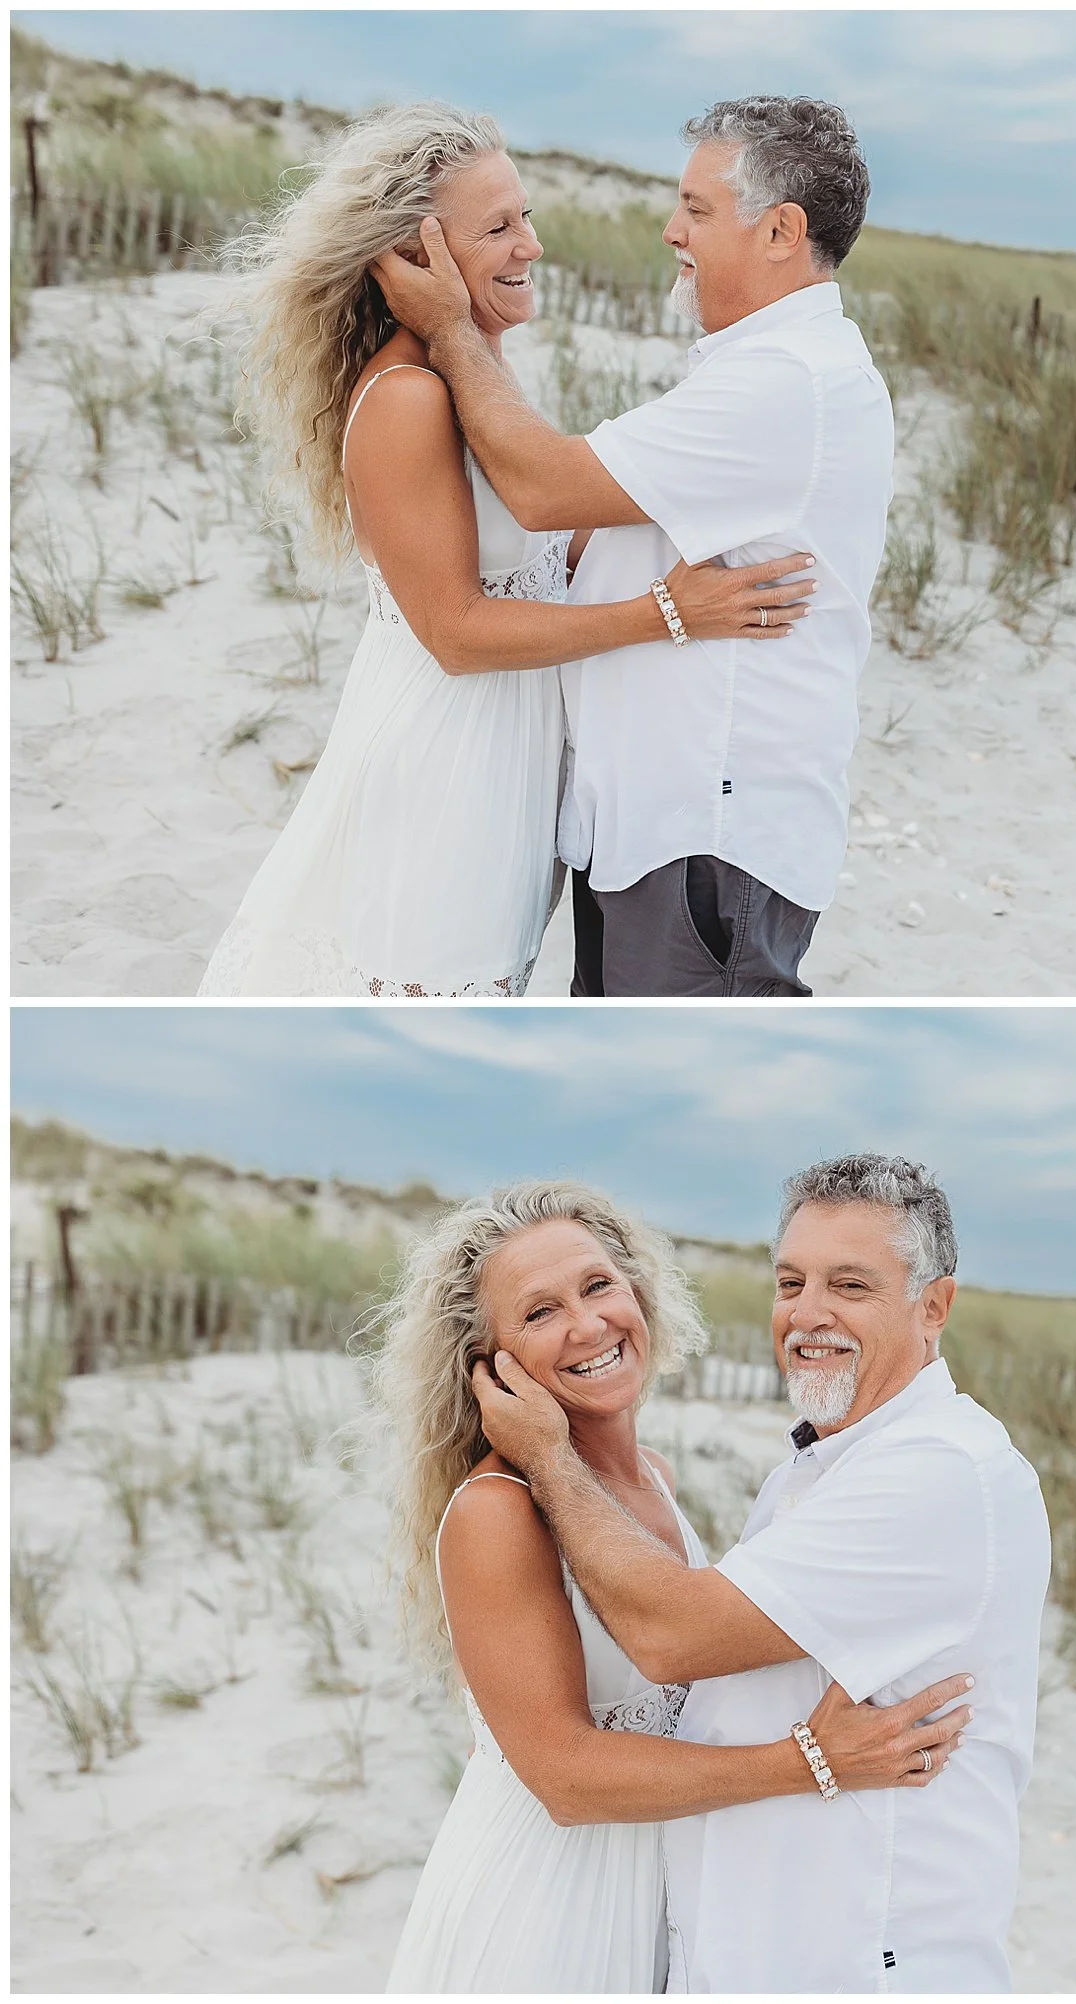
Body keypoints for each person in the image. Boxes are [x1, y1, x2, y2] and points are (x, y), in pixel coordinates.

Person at [198, 103, 815, 998]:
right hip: (447, 763)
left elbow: (546, 548)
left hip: (511, 766)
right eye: (497, 227)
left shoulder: (471, 368)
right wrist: (671, 614)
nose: (530, 246)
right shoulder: (410, 395)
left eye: (524, 215)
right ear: (414, 259)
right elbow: (454, 630)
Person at [372, 1181, 973, 1994]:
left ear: (638, 1293)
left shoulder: (650, 1477)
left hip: (661, 1898)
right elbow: (566, 1778)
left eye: (597, 1286)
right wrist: (809, 1762)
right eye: (539, 1313)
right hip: (547, 1910)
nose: (587, 1325)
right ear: (491, 1367)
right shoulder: (498, 1513)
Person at [372, 96, 896, 998]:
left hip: (707, 841)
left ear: (780, 231)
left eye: (696, 209)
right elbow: (582, 529)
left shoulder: (789, 383)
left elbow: (541, 492)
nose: (670, 230)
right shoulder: (754, 370)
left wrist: (456, 328)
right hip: (653, 831)